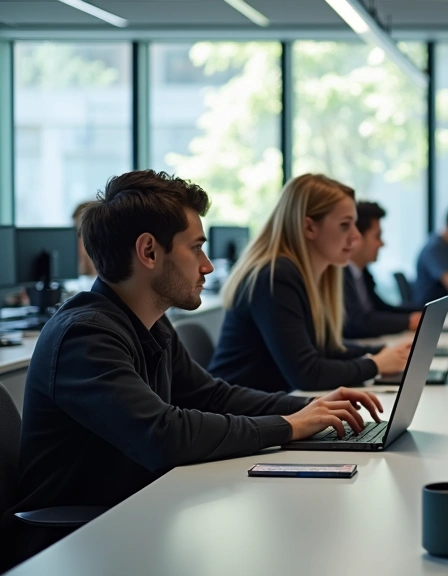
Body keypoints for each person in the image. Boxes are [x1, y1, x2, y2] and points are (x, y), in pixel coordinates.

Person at [0, 170, 383, 569]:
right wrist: (288, 425)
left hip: (137, 518)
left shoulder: (150, 322)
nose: (207, 266)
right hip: (75, 546)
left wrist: (310, 409)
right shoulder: (84, 336)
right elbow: (163, 435)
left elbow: (213, 396)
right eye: (195, 249)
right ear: (149, 252)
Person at [207, 174, 410, 394]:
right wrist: (376, 364)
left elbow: (324, 350)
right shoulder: (275, 275)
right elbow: (307, 374)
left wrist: (386, 352)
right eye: (345, 225)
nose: (356, 236)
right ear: (309, 227)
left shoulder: (310, 274)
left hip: (270, 410)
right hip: (239, 418)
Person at [343, 201, 421, 338]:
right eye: (377, 236)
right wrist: (408, 321)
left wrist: (422, 311)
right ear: (356, 238)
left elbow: (380, 308)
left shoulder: (362, 273)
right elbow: (357, 323)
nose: (382, 243)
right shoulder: (340, 275)